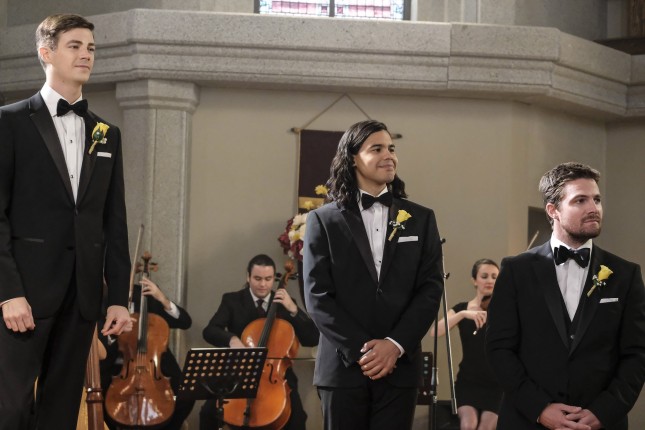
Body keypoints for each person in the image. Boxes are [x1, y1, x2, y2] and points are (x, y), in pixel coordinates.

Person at [0, 14, 131, 430]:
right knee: (10, 410)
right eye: (75, 46)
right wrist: (8, 292)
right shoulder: (9, 122)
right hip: (24, 296)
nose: (86, 55)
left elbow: (114, 221)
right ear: (46, 53)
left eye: (91, 48)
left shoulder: (107, 133)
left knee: (59, 414)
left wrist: (118, 298)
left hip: (82, 297)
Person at [302, 119, 444, 430]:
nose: (388, 155)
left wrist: (394, 344)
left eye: (391, 148)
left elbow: (430, 289)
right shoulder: (322, 220)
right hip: (343, 368)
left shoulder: (421, 218)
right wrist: (362, 351)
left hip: (400, 366)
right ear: (353, 157)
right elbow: (316, 296)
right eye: (376, 149)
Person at [486, 162, 645, 430]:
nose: (593, 208)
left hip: (600, 423)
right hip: (527, 421)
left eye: (596, 199)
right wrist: (539, 409)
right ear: (553, 210)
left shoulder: (625, 274)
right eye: (580, 200)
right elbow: (499, 349)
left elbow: (637, 354)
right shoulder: (516, 270)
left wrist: (604, 411)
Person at [199, 254, 319, 430]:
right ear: (248, 277)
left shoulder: (285, 303)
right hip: (239, 373)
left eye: (268, 279)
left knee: (297, 419)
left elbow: (312, 338)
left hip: (276, 378)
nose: (263, 284)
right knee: (207, 413)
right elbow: (209, 331)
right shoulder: (232, 300)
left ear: (274, 278)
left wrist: (294, 309)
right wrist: (232, 340)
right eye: (257, 278)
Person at [100, 278, 194, 430]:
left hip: (155, 364)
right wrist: (115, 332)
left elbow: (184, 322)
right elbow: (97, 334)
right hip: (117, 363)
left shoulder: (144, 293)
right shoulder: (104, 296)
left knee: (186, 394)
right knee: (100, 397)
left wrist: (163, 299)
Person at [430, 259, 501, 430]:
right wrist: (462, 314)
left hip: (497, 383)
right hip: (468, 381)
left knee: (485, 428)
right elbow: (435, 332)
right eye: (484, 276)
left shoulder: (503, 310)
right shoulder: (462, 308)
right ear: (474, 280)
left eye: (494, 277)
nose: (490, 280)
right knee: (468, 425)